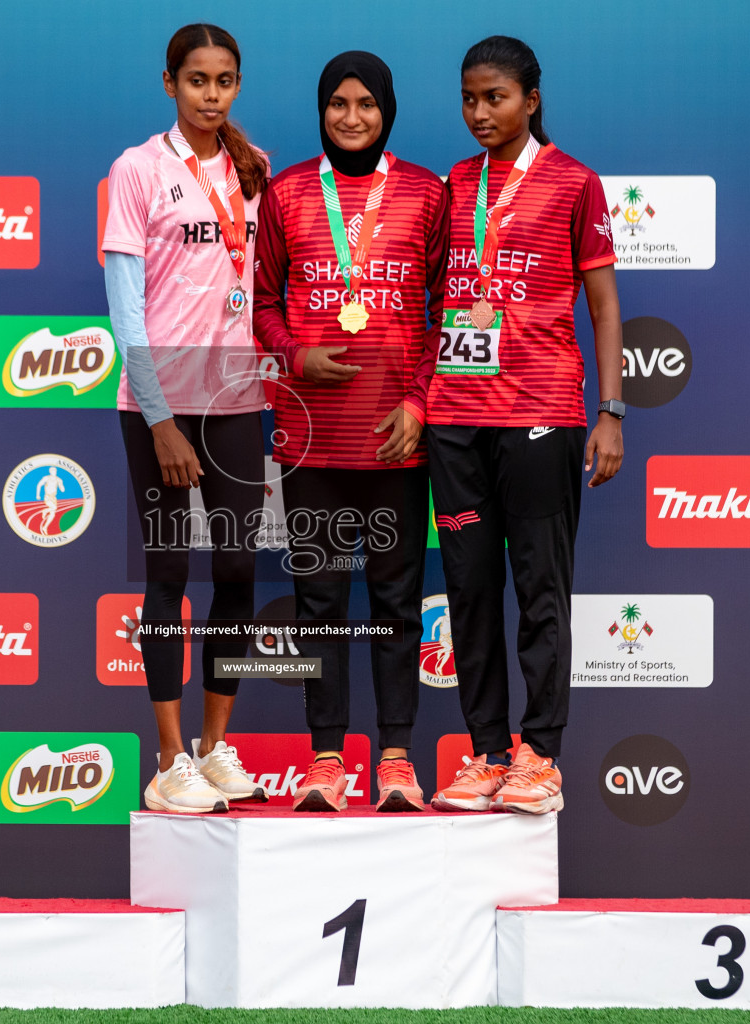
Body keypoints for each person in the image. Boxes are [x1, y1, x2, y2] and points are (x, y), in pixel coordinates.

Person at [427, 36, 625, 815]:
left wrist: (610, 412)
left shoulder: (574, 183)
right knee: (470, 589)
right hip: (455, 419)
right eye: (470, 99)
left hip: (541, 412)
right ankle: (485, 753)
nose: (481, 113)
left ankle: (540, 755)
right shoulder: (453, 183)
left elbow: (604, 307)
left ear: (531, 100)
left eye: (496, 98)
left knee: (541, 590)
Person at [253, 52, 450, 813]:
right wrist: (296, 352)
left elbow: (451, 308)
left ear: (387, 110)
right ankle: (328, 760)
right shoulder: (290, 192)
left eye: (366, 103)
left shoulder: (426, 194)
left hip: (396, 435)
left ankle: (396, 758)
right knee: (320, 602)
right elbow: (262, 299)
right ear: (321, 109)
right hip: (310, 438)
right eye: (337, 103)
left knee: (398, 600)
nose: (352, 117)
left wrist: (422, 405)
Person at [102, 23, 272, 813]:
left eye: (225, 80)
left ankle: (215, 748)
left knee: (237, 570)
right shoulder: (137, 169)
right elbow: (126, 309)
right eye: (197, 80)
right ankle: (169, 760)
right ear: (168, 82)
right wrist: (162, 419)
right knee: (169, 573)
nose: (212, 94)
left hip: (239, 397)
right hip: (160, 408)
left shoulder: (253, 168)